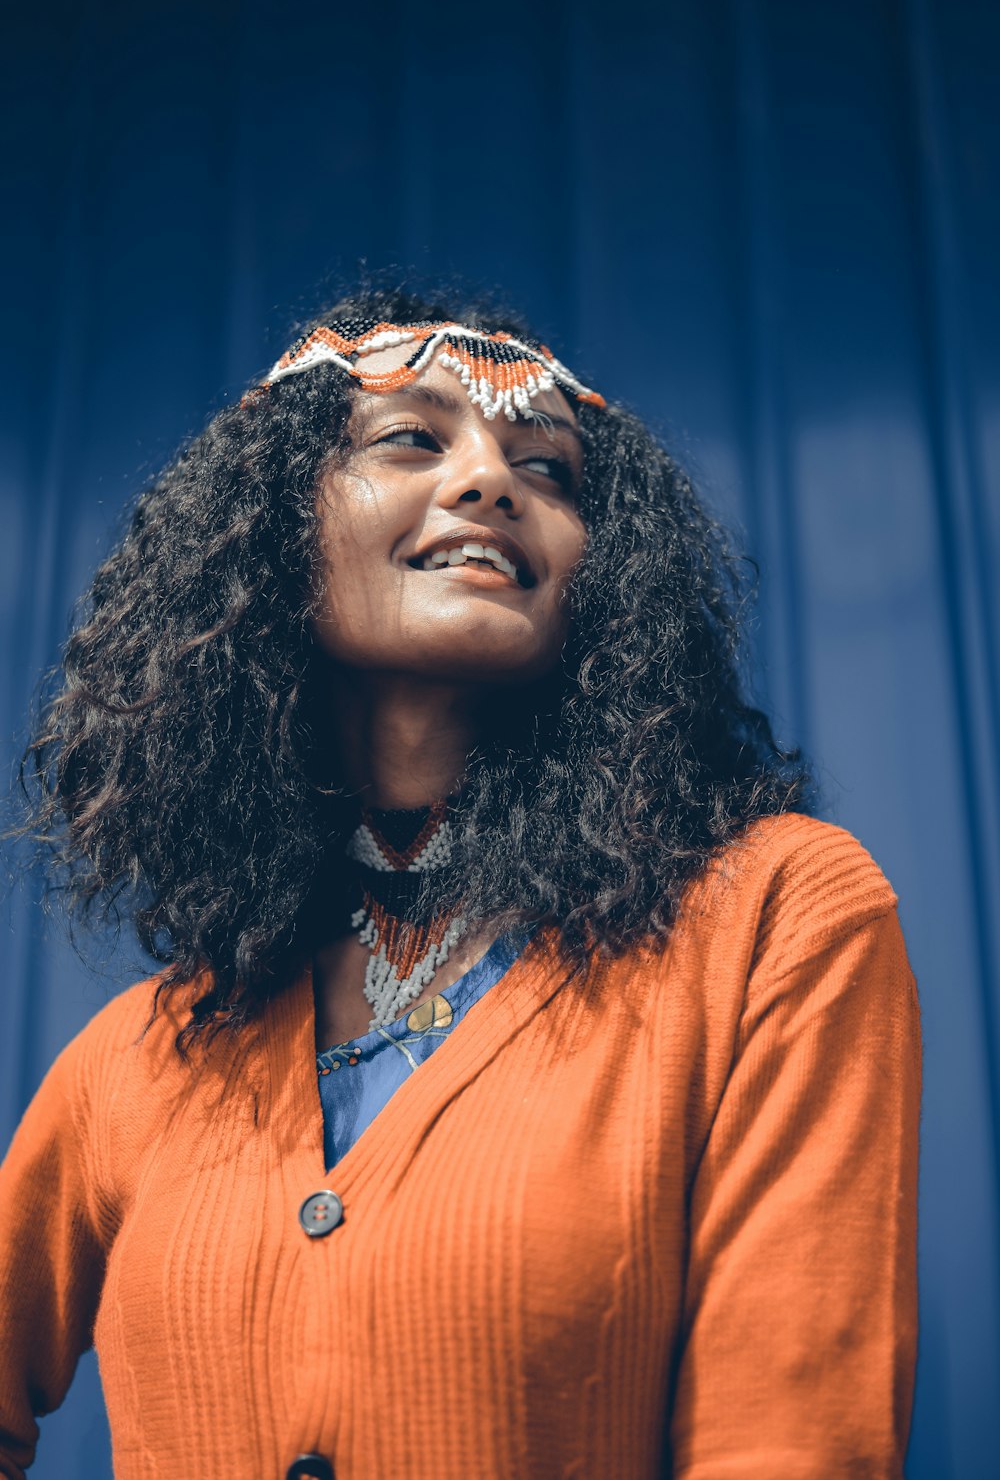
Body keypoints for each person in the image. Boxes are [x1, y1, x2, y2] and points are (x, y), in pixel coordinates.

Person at [0, 285, 922, 1480]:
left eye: (550, 469)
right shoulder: (140, 1057)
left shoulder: (777, 917)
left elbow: (794, 1448)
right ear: (265, 533)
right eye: (410, 438)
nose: (492, 480)